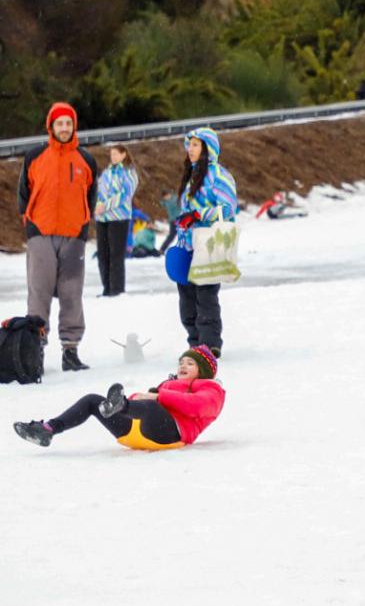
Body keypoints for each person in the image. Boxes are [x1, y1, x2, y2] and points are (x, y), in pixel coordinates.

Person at [14, 346, 226, 451]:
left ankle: (120, 405)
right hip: (136, 431)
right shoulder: (168, 384)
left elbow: (197, 406)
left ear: (204, 370)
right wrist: (141, 398)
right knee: (91, 400)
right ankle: (48, 430)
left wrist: (156, 396)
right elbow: (144, 400)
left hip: (172, 435)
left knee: (150, 406)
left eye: (190, 363)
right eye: (181, 362)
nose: (182, 366)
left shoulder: (211, 389)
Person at [19, 102, 97, 370]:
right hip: (41, 232)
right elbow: (23, 195)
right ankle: (35, 351)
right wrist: (30, 226)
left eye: (68, 123)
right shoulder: (34, 156)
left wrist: (83, 227)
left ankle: (70, 351)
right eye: (59, 123)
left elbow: (91, 196)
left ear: (74, 126)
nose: (64, 128)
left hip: (74, 234)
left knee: (71, 293)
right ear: (50, 126)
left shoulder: (86, 160)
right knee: (38, 293)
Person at [171, 129, 238, 356]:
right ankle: (194, 342)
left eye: (196, 145)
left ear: (208, 149)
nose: (190, 149)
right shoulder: (191, 175)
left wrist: (200, 215)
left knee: (206, 295)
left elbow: (228, 208)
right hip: (187, 244)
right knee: (186, 297)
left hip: (209, 244)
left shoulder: (219, 175)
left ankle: (209, 345)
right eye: (189, 145)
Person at [93, 145, 138, 297]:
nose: (113, 157)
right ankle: (106, 288)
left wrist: (105, 205)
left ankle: (117, 289)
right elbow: (99, 191)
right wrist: (98, 204)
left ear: (124, 155)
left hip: (119, 218)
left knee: (116, 255)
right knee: (103, 254)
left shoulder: (129, 173)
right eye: (111, 154)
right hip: (102, 219)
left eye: (116, 154)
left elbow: (125, 194)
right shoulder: (106, 173)